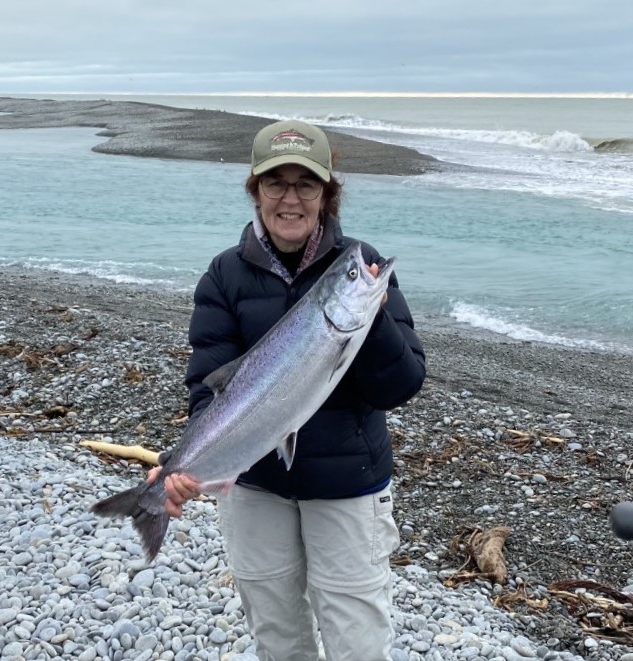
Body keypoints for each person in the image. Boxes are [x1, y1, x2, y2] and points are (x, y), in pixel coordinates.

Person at [148, 119, 426, 661]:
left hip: (347, 482)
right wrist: (181, 469)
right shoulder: (224, 276)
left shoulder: (360, 266)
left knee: (358, 641)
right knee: (278, 636)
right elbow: (209, 390)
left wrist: (374, 318)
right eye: (276, 183)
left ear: (327, 193)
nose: (291, 199)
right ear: (256, 189)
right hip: (255, 485)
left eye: (307, 184)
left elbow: (402, 385)